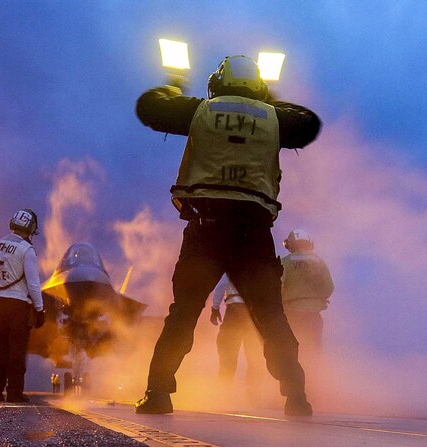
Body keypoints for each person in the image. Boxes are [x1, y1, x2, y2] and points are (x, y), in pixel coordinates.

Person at [134, 55, 321, 416]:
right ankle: (296, 397)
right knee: (271, 318)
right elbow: (309, 124)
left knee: (183, 314)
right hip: (252, 233)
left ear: (218, 82)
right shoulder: (273, 119)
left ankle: (158, 393)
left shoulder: (201, 111)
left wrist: (173, 81)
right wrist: (271, 100)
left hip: (206, 229)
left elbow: (150, 109)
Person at [0, 207, 45, 402]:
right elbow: (33, 283)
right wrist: (39, 309)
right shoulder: (26, 249)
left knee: (1, 349)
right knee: (17, 352)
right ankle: (14, 392)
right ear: (30, 228)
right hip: (19, 305)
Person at [280, 229, 334, 354]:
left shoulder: (284, 262)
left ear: (290, 244)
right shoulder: (319, 262)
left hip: (291, 315)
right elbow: (328, 287)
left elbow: (278, 288)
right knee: (313, 352)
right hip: (313, 316)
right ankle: (313, 373)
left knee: (291, 352)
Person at [210, 275, 262, 387]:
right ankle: (254, 395)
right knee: (254, 356)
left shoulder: (232, 264)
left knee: (228, 354)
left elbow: (221, 286)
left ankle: (224, 391)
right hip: (252, 313)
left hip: (233, 312)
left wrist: (215, 308)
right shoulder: (257, 266)